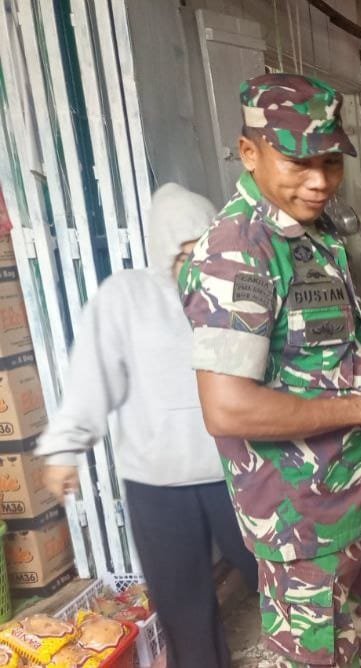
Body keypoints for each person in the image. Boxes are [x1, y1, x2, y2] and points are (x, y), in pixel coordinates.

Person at [179, 73, 361, 667]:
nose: (319, 181)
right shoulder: (237, 253)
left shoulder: (311, 233)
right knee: (315, 655)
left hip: (358, 489)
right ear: (249, 152)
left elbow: (315, 337)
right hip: (301, 514)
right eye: (298, 162)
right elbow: (227, 408)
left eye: (331, 162)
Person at [36, 183, 259, 668]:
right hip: (156, 486)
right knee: (184, 609)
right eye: (183, 253)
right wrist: (65, 448)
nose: (194, 264)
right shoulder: (126, 298)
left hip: (236, 472)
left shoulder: (237, 292)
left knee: (276, 577)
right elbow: (92, 377)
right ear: (162, 253)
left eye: (203, 250)